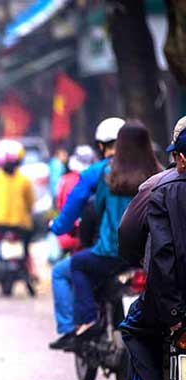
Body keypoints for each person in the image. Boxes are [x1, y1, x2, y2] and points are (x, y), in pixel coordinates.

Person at [120, 118, 186, 380]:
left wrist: (173, 314)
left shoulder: (158, 187)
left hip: (169, 297)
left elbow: (159, 253)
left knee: (133, 327)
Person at [70, 122, 161, 335]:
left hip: (110, 253)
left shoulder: (108, 174)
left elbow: (96, 209)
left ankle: (89, 318)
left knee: (77, 264)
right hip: (151, 255)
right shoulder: (160, 173)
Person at [48, 118, 125, 350]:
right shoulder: (151, 169)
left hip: (110, 251)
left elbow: (76, 208)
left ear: (101, 146)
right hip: (145, 252)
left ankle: (80, 323)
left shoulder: (98, 173)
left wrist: (57, 226)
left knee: (68, 269)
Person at [0, 139, 36, 279]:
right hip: (21, 224)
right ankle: (31, 272)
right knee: (26, 248)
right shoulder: (24, 179)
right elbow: (31, 202)